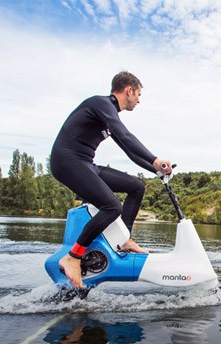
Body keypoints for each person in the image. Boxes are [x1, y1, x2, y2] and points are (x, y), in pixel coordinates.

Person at [50, 71, 172, 288]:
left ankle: (123, 239)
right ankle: (73, 257)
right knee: (112, 207)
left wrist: (156, 171)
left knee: (136, 186)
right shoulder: (101, 104)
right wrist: (155, 160)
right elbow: (126, 136)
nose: (139, 100)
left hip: (86, 163)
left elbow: (129, 151)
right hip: (67, 161)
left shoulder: (108, 114)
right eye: (139, 95)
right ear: (129, 90)